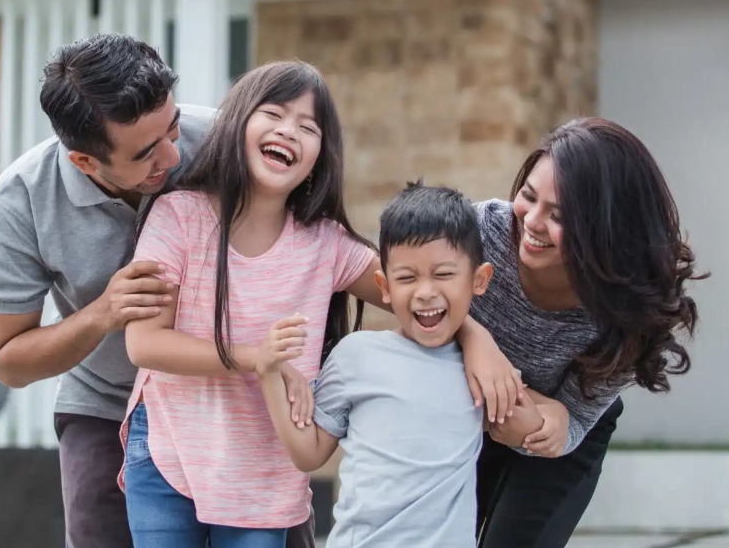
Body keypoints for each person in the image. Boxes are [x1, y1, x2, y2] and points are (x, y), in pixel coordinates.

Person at [118, 62, 522, 547]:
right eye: (274, 114)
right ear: (237, 122)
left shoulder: (326, 244)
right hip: (171, 447)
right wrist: (254, 357)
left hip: (265, 469)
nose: (289, 132)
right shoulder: (179, 216)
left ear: (319, 156)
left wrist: (477, 336)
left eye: (308, 127)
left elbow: (412, 292)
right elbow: (144, 343)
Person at [0, 33, 223, 548]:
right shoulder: (18, 204)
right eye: (147, 153)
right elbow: (9, 361)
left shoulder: (225, 141)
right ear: (85, 162)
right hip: (108, 405)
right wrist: (101, 314)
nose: (175, 157)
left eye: (173, 128)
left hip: (228, 394)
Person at [257, 181, 545, 547]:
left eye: (443, 274)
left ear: (479, 280)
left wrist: (538, 417)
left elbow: (527, 429)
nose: (425, 291)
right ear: (385, 286)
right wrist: (267, 374)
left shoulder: (481, 370)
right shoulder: (355, 356)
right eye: (407, 278)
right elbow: (308, 452)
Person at [469, 117, 706, 547]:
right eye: (528, 196)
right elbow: (407, 296)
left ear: (608, 228)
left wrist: (546, 418)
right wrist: (473, 337)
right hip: (465, 412)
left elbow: (571, 418)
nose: (532, 222)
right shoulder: (477, 235)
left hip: (563, 429)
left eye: (558, 215)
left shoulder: (631, 312)